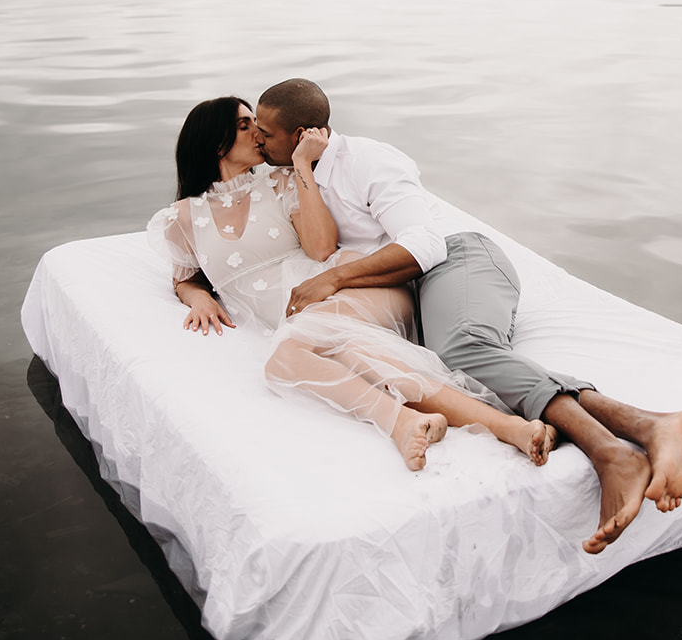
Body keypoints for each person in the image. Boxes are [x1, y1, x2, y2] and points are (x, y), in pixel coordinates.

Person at [254, 79, 682, 555]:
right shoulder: (300, 171)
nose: (258, 140)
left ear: (303, 132)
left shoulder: (368, 160)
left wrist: (336, 280)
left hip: (455, 261)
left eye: (266, 132)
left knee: (462, 348)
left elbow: (426, 246)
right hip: (412, 294)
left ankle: (609, 451)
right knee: (461, 365)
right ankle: (649, 427)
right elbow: (321, 248)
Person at [147, 96, 556, 472]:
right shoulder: (179, 219)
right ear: (214, 141)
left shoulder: (281, 183)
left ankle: (401, 423)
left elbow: (322, 247)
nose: (257, 131)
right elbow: (185, 276)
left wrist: (302, 167)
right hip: (310, 315)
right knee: (347, 351)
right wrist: (197, 295)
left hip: (350, 285)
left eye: (258, 123)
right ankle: (504, 428)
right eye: (243, 124)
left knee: (284, 358)